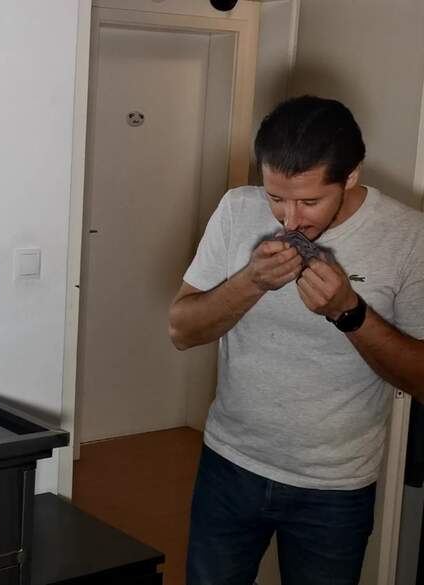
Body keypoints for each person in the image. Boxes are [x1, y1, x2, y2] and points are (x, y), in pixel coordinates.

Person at [168, 95, 424, 584]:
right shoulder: (236, 209)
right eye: (275, 197)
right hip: (228, 465)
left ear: (351, 176)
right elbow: (182, 330)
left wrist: (349, 313)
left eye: (309, 202)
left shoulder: (409, 237)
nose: (289, 220)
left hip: (335, 488)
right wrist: (251, 282)